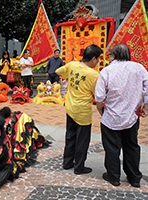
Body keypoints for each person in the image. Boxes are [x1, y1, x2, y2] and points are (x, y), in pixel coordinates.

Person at [95, 44, 148, 187]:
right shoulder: (139, 68)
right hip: (132, 116)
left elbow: (99, 96)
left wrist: (100, 109)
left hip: (111, 117)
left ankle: (113, 177)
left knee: (112, 148)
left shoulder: (107, 71)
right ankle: (134, 178)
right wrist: (146, 107)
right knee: (131, 146)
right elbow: (147, 89)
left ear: (113, 55)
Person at [55, 44, 102, 174]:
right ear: (93, 59)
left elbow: (58, 72)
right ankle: (79, 167)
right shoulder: (94, 75)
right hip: (83, 112)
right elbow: (97, 95)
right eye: (97, 59)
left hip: (70, 107)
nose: (97, 62)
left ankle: (67, 162)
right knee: (82, 140)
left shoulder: (72, 65)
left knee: (70, 136)